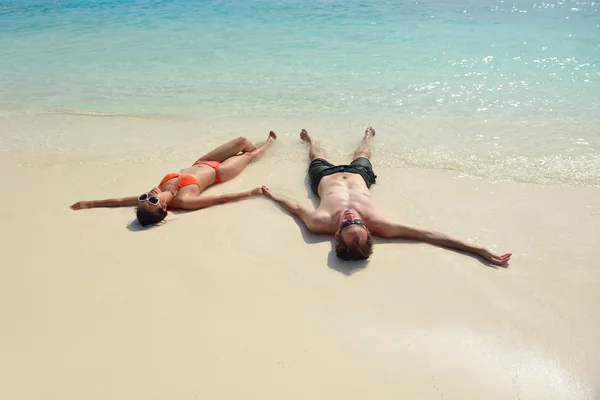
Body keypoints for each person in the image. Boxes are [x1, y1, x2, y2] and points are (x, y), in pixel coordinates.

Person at [261, 127, 511, 265]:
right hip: (359, 176)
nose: (351, 217)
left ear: (337, 234)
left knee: (316, 155)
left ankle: (311, 140)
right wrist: (476, 249)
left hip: (325, 177)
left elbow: (294, 207)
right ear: (368, 230)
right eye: (357, 223)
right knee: (364, 153)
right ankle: (367, 137)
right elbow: (428, 234)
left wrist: (273, 196)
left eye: (347, 224)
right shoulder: (379, 224)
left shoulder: (320, 223)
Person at [71, 132, 277, 226]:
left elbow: (118, 201)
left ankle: (255, 146)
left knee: (242, 141)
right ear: (163, 209)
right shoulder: (184, 201)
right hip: (220, 173)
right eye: (152, 201)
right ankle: (267, 144)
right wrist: (250, 192)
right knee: (249, 156)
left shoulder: (157, 193)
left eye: (144, 197)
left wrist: (88, 203)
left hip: (203, 161)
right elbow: (219, 199)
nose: (149, 195)